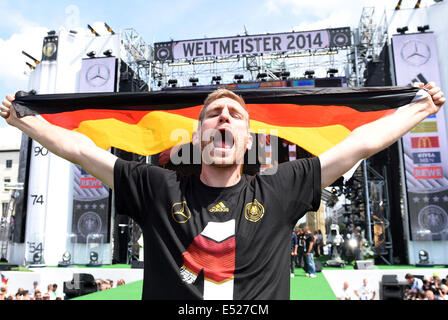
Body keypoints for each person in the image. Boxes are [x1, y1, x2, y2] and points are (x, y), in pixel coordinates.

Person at [1, 83, 445, 300]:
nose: (224, 118)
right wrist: (25, 120)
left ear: (249, 139)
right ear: (197, 135)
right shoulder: (158, 185)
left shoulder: (281, 187)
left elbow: (359, 144)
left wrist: (419, 109)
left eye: (234, 113)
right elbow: (81, 150)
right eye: (214, 113)